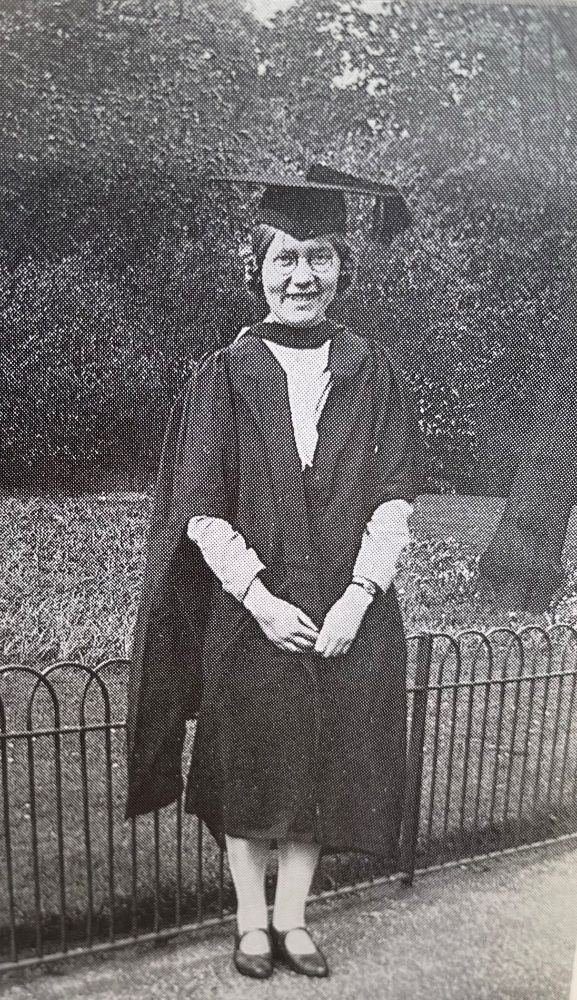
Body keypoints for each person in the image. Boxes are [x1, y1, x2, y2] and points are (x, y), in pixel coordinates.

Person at [126, 170, 424, 979]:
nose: (302, 275)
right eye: (285, 257)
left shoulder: (372, 370)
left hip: (343, 614)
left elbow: (394, 496)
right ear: (258, 267)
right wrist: (258, 600)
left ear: (341, 268)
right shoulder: (224, 374)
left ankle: (293, 920)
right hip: (249, 615)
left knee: (319, 769)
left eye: (319, 257)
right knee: (250, 767)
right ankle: (250, 923)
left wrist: (359, 599)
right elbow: (199, 507)